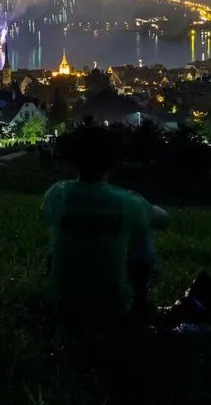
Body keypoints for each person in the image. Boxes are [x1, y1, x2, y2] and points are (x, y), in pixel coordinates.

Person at [41, 126, 170, 323]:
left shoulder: (56, 195)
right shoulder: (128, 202)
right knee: (144, 231)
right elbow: (163, 219)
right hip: (115, 308)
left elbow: (47, 217)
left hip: (60, 305)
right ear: (113, 161)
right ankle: (141, 301)